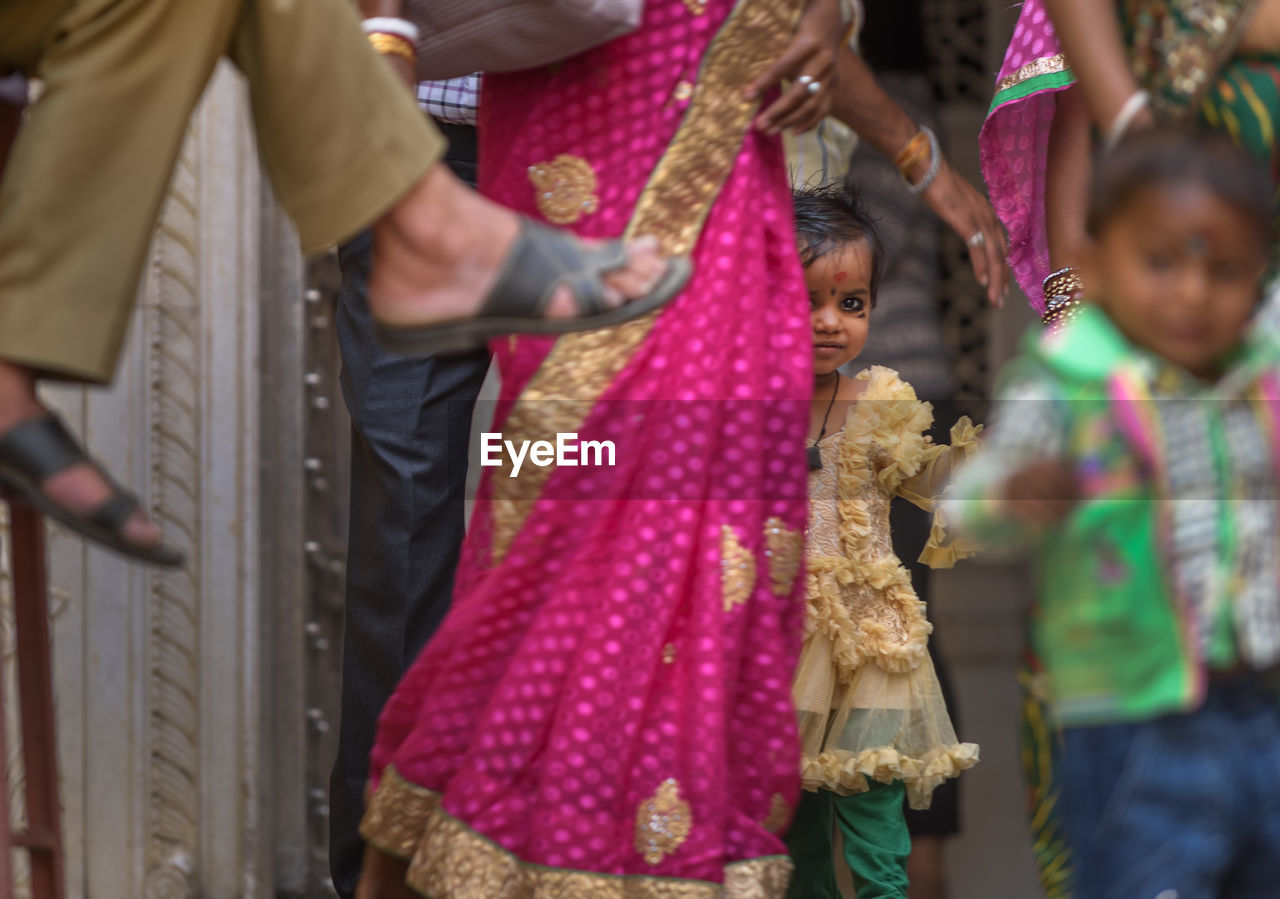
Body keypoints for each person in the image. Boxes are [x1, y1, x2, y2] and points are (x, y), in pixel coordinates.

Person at [353, 0, 851, 894]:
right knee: (426, 497)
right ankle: (404, 842)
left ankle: (619, 846)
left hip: (667, 134)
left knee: (661, 510)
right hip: (454, 127)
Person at [0, 0, 688, 569]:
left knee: (591, 467)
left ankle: (424, 228)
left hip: (592, 124)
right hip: (421, 131)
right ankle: (427, 228)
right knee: (406, 476)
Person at [946, 129, 1280, 898]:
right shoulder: (1069, 385)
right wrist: (1012, 491)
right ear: (1094, 266)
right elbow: (967, 506)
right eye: (1160, 262)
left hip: (1260, 705)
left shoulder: (1256, 379)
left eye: (1223, 270)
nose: (1193, 292)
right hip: (1134, 728)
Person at [781, 185, 979, 899]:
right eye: (807, 301)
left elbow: (935, 478)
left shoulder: (880, 403)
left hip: (873, 649)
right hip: (782, 650)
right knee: (793, 841)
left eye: (852, 303)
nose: (829, 323)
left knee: (875, 838)